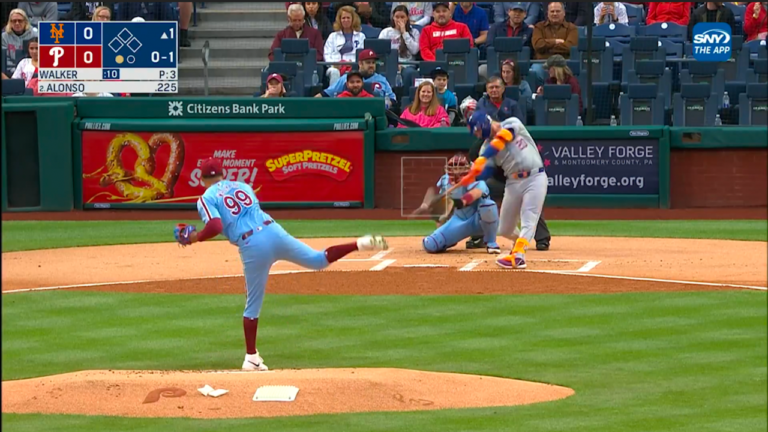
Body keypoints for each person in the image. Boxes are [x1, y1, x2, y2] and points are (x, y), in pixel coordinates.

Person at [174, 158, 389, 371]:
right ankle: (358, 243)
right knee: (318, 260)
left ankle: (251, 357)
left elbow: (214, 225)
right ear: (223, 174)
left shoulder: (205, 198)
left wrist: (195, 237)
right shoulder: (243, 186)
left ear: (202, 179)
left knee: (252, 304)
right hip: (274, 231)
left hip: (252, 245)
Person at [462, 111, 548, 269]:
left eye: (478, 130)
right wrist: (472, 176)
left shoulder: (511, 123)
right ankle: (520, 244)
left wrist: (482, 158)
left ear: (484, 124)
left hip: (535, 177)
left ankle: (518, 256)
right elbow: (486, 173)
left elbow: (503, 138)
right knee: (505, 229)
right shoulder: (485, 148)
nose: (478, 135)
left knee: (529, 218)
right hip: (513, 182)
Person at [419, 153, 501, 254]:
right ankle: (451, 240)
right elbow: (442, 213)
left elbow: (476, 193)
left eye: (460, 169)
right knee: (430, 244)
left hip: (478, 221)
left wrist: (461, 201)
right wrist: (441, 230)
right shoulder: (445, 182)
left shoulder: (476, 180)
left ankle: (490, 242)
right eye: (453, 169)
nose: (456, 172)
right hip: (459, 221)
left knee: (488, 206)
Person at [318, 48, 396, 103]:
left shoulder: (382, 79)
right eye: (368, 62)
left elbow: (392, 99)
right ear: (360, 64)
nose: (371, 65)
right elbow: (325, 94)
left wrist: (387, 104)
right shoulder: (347, 78)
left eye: (373, 63)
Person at [530, 2, 578, 89]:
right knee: (534, 71)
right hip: (542, 63)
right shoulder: (539, 27)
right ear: (547, 13)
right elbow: (537, 45)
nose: (555, 14)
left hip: (563, 63)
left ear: (564, 13)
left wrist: (547, 46)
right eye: (552, 11)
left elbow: (570, 47)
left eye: (558, 11)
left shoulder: (572, 28)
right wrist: (556, 42)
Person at [379, 5, 420, 87]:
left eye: (402, 17)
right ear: (393, 18)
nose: (399, 20)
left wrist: (404, 33)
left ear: (407, 18)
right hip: (390, 64)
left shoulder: (414, 32)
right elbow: (380, 51)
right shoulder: (386, 32)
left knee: (410, 73)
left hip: (408, 65)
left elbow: (415, 50)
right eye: (397, 17)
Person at [324, 5, 365, 86]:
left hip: (354, 66)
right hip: (335, 66)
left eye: (348, 18)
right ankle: (334, 96)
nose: (346, 20)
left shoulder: (361, 36)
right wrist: (335, 64)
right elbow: (327, 54)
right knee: (334, 72)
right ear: (339, 20)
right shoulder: (333, 36)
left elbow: (361, 54)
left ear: (353, 19)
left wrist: (350, 63)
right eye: (343, 18)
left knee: (353, 72)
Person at [2, 8, 37, 76]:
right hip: (9, 70)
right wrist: (17, 70)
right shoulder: (4, 37)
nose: (17, 23)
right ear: (10, 22)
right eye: (14, 21)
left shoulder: (34, 34)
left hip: (30, 70)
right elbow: (4, 58)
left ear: (25, 22)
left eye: (20, 21)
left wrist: (28, 69)